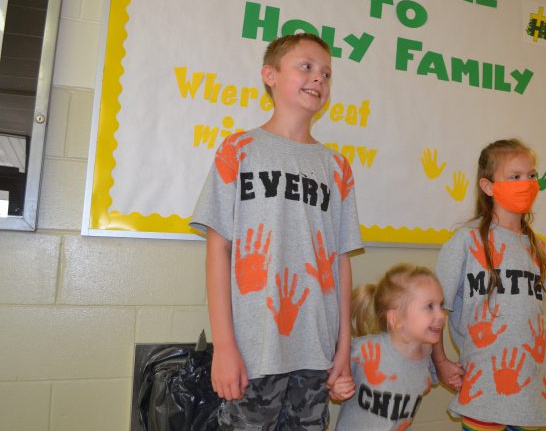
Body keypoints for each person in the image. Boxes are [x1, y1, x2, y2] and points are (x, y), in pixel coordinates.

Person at [189, 33, 363, 430]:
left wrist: (343, 348)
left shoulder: (336, 166)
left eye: (326, 73)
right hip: (254, 351)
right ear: (269, 75)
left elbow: (341, 260)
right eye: (306, 66)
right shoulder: (238, 150)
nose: (318, 78)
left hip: (317, 352)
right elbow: (218, 250)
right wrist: (225, 347)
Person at [433, 139, 546, 431]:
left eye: (531, 175)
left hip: (529, 391)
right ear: (488, 186)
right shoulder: (464, 241)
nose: (526, 183)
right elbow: (435, 309)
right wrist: (440, 361)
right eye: (515, 176)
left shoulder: (538, 247)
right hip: (483, 389)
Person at [332, 263, 445, 430]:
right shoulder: (364, 351)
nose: (441, 315)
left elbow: (432, 377)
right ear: (396, 319)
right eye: (429, 307)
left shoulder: (427, 354)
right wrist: (335, 387)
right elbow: (329, 374)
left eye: (441, 305)